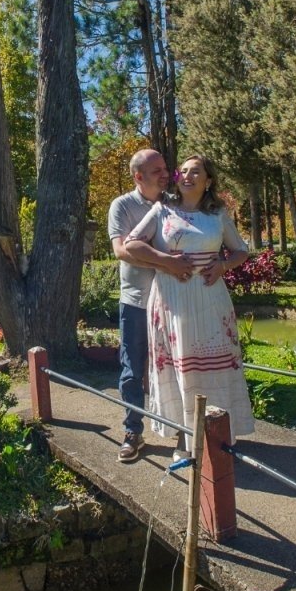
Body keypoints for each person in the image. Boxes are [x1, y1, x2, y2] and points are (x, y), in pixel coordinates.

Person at [124, 154, 254, 453]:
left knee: (212, 368)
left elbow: (241, 250)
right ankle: (184, 439)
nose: (186, 176)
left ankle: (217, 437)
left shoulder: (217, 215)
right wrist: (166, 260)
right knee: (181, 369)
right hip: (172, 298)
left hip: (210, 299)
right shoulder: (162, 209)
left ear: (208, 181)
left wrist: (223, 266)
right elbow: (132, 244)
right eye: (183, 171)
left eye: (195, 172)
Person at [107, 149, 193, 463]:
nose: (166, 174)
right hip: (136, 302)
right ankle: (133, 432)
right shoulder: (122, 205)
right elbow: (122, 251)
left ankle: (184, 433)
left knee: (180, 367)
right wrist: (167, 263)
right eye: (157, 170)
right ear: (138, 176)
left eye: (165, 168)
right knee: (132, 370)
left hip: (172, 302)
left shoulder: (174, 203)